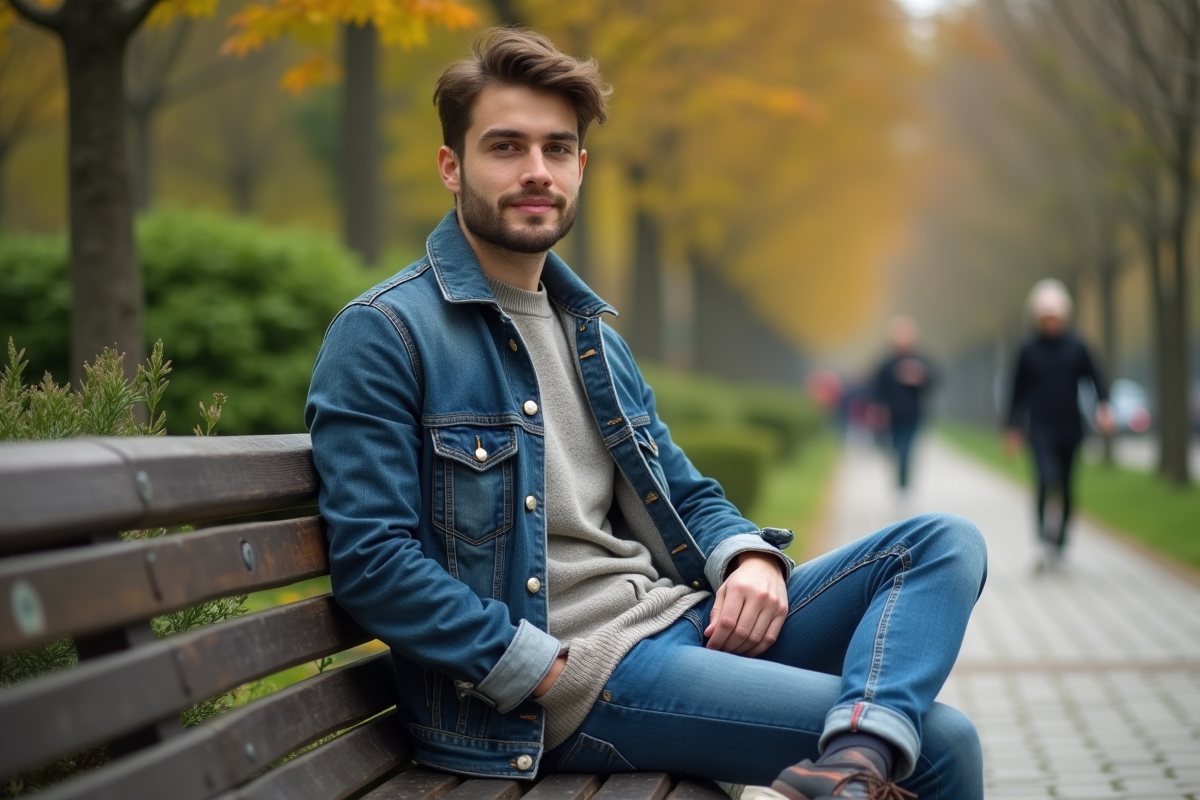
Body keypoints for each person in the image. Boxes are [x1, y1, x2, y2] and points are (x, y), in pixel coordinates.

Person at [305, 28, 987, 800]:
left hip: (679, 622)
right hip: (578, 680)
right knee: (941, 745)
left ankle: (854, 756)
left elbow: (685, 490)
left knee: (942, 542)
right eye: (506, 147)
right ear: (450, 166)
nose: (537, 172)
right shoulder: (389, 333)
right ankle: (863, 757)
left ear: (581, 168)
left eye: (558, 150)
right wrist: (537, 667)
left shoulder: (588, 333)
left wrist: (747, 556)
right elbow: (374, 560)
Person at [1005, 279, 1112, 571]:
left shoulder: (1077, 346)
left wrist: (1104, 407)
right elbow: (1016, 391)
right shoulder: (1028, 350)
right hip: (1039, 427)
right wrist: (1012, 428)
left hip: (1070, 427)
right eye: (1045, 317)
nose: (1050, 322)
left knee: (1066, 485)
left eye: (1055, 316)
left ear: (1064, 316)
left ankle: (1061, 543)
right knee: (1043, 479)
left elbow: (1096, 378)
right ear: (1037, 317)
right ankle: (1042, 540)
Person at [868, 317, 937, 496]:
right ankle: (900, 482)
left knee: (907, 449)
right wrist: (877, 409)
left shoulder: (920, 361)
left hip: (913, 414)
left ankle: (903, 486)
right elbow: (877, 388)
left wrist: (920, 377)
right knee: (896, 450)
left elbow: (934, 380)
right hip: (891, 415)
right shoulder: (886, 363)